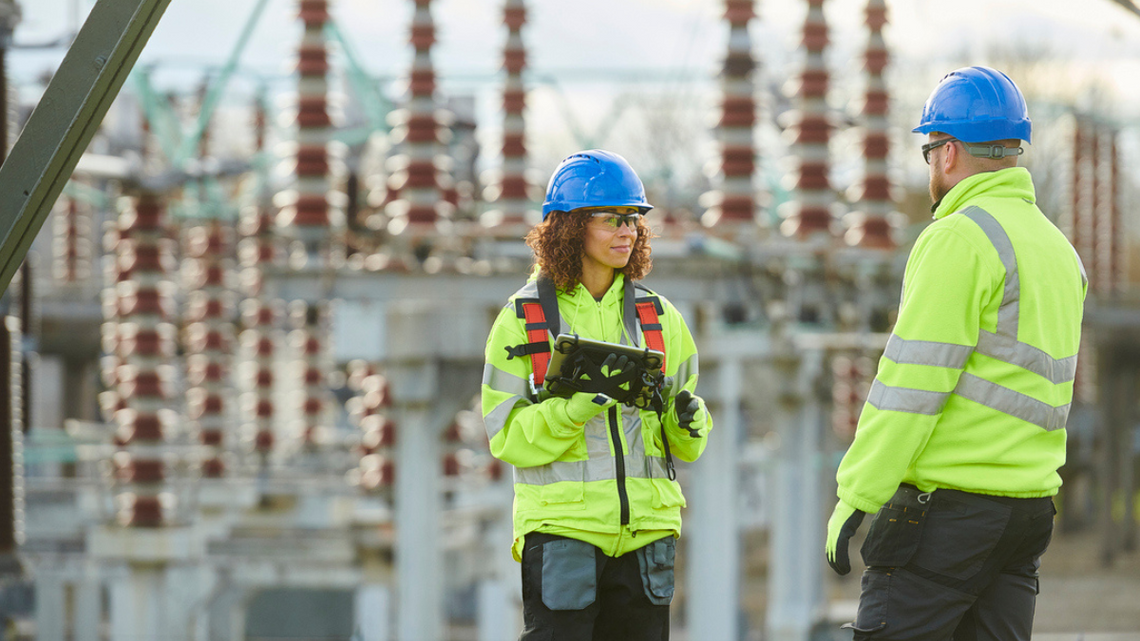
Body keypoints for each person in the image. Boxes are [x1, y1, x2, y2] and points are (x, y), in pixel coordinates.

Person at [825, 66, 1087, 639]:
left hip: (946, 517)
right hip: (1028, 511)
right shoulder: (1059, 251)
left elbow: (909, 387)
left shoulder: (958, 239)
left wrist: (856, 495)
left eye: (928, 152)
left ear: (947, 153)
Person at [482, 149, 712, 641]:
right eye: (611, 219)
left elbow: (687, 442)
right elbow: (505, 437)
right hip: (563, 532)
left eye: (632, 219)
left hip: (647, 534)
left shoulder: (661, 318)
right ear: (569, 227)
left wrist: (688, 420)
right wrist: (572, 412)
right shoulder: (522, 319)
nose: (627, 231)